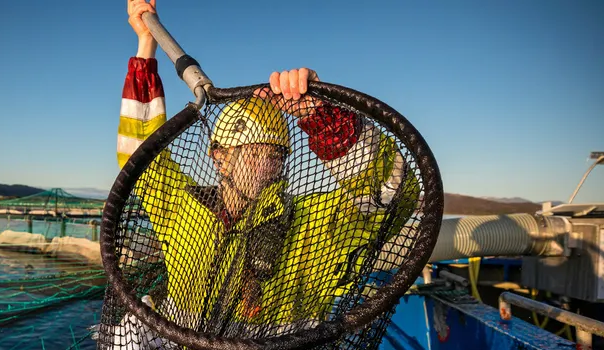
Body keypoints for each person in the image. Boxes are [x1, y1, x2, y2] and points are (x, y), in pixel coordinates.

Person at [119, 0, 417, 328]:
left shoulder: (308, 226)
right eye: (254, 152)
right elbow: (140, 156)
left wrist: (326, 121)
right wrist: (146, 46)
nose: (268, 165)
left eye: (276, 155)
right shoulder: (180, 209)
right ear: (219, 157)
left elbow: (390, 196)